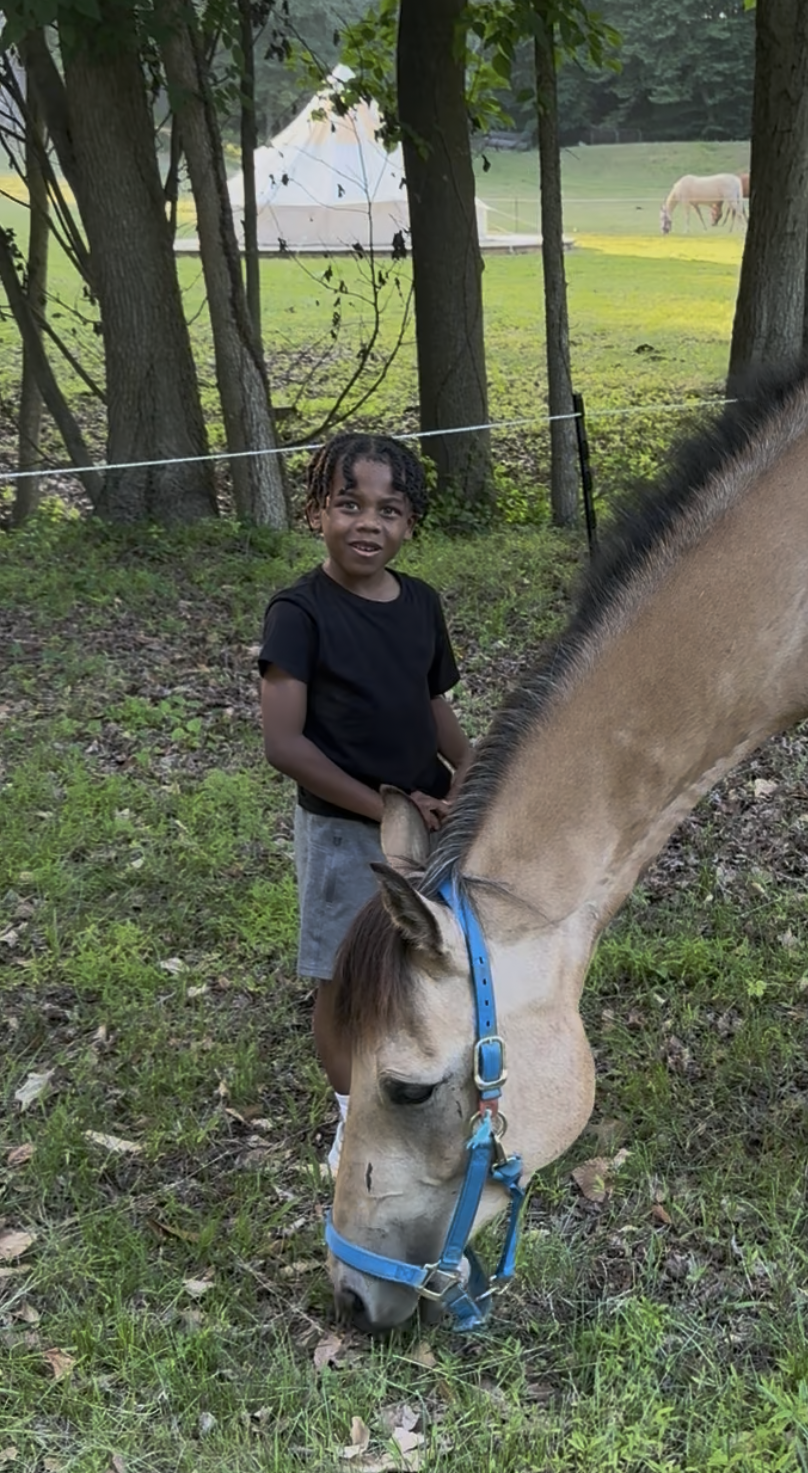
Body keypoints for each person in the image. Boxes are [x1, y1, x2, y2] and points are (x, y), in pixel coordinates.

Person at [258, 431, 475, 1171]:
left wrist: (468, 766)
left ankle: (426, 1081)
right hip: (346, 835)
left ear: (410, 524)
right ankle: (353, 1118)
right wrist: (386, 808)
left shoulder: (420, 603)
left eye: (389, 509)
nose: (368, 523)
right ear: (317, 510)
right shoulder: (299, 613)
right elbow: (285, 743)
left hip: (430, 824)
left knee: (425, 958)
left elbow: (429, 697)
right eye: (349, 504)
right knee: (345, 979)